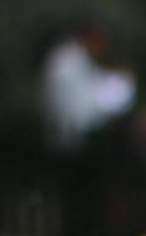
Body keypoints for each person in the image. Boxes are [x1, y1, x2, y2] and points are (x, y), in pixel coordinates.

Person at [41, 22, 135, 151]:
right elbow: (74, 105)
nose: (101, 50)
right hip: (68, 130)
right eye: (99, 44)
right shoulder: (68, 60)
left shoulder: (76, 58)